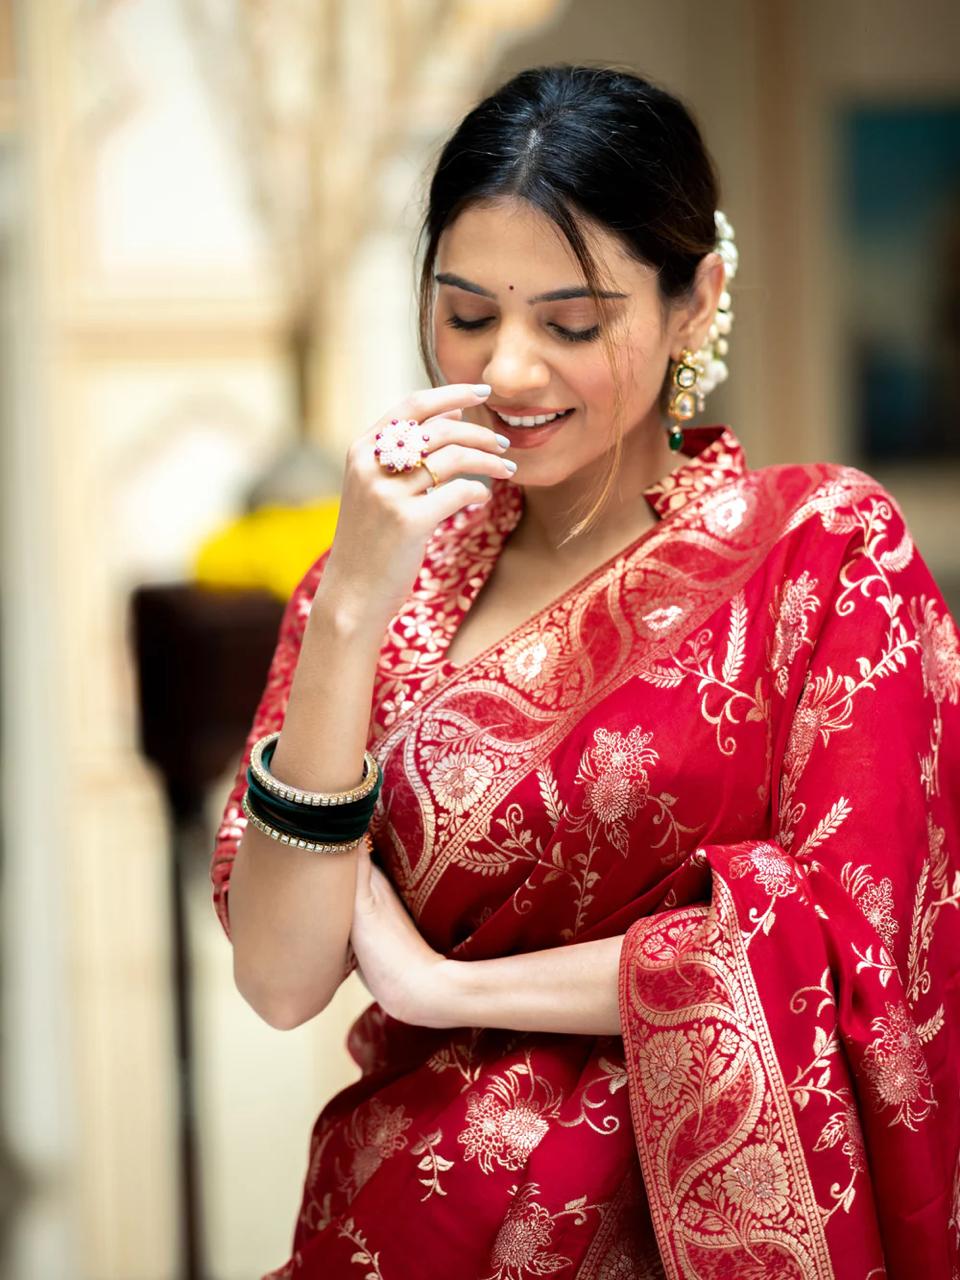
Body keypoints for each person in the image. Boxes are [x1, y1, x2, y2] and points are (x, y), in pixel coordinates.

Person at [210, 64, 960, 1279]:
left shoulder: (823, 559)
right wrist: (348, 604)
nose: (508, 371)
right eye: (465, 313)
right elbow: (283, 978)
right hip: (395, 1224)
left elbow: (846, 956)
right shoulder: (376, 590)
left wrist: (441, 987)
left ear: (692, 301)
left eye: (571, 322)